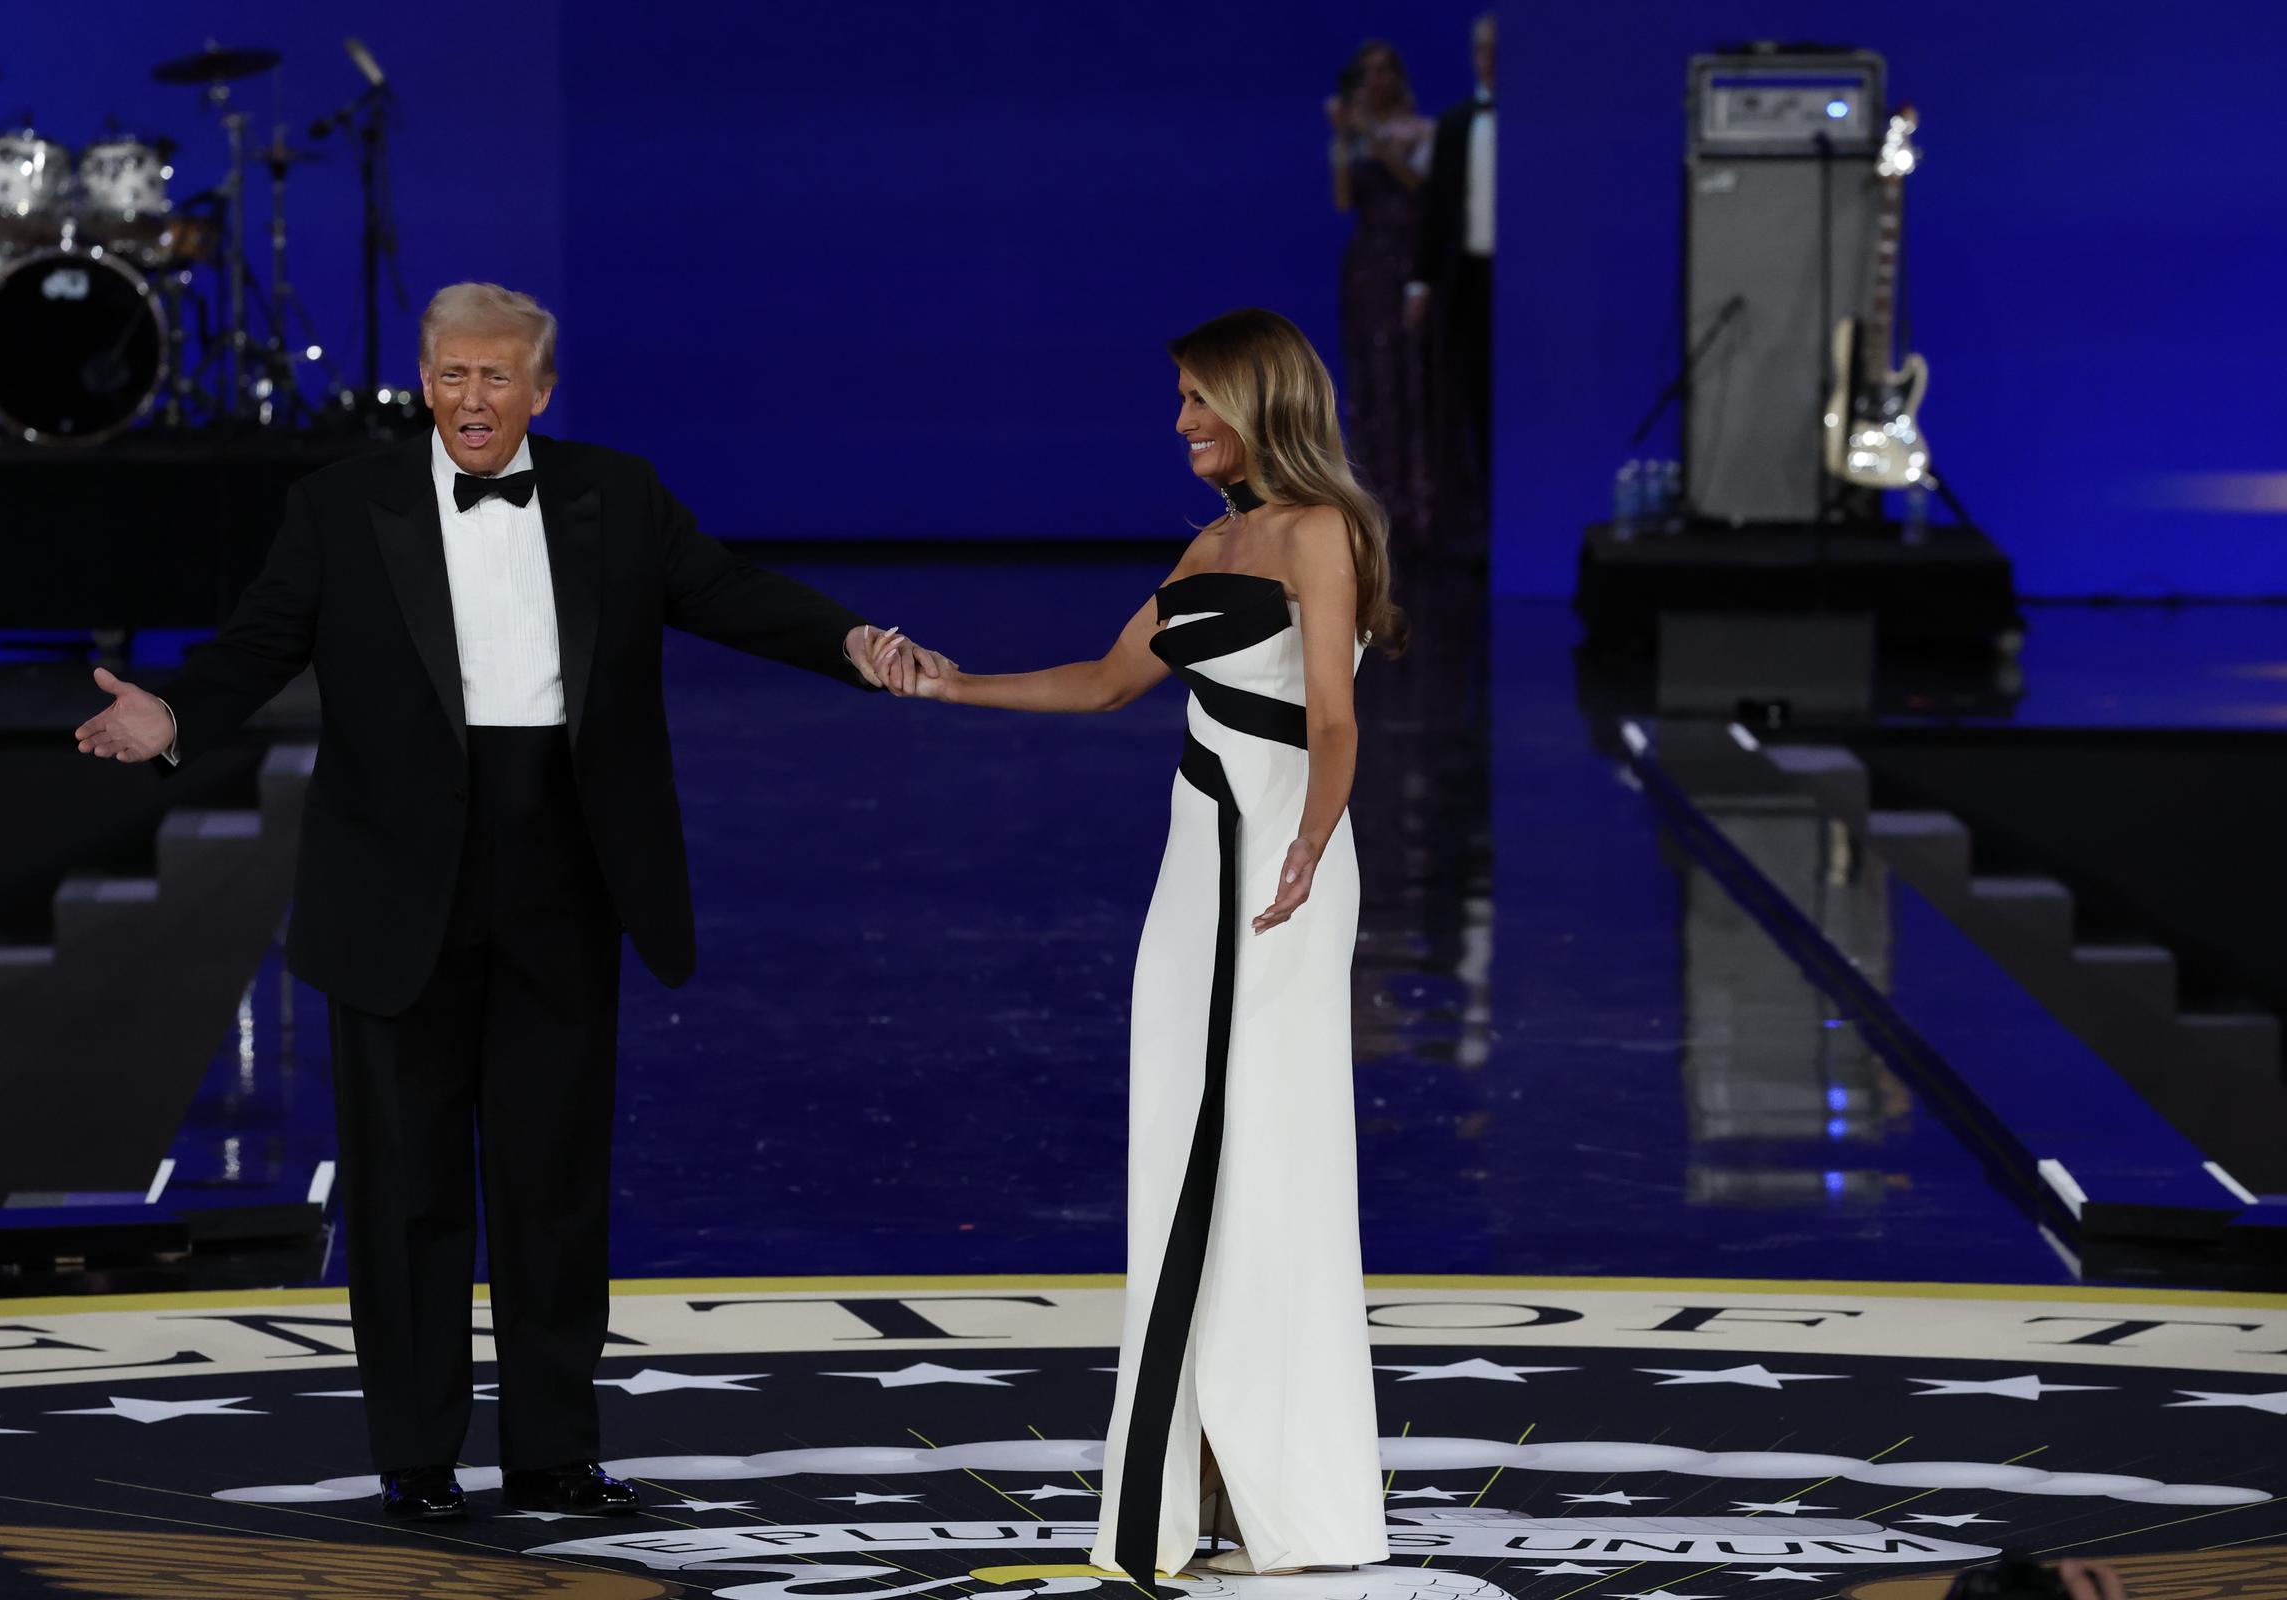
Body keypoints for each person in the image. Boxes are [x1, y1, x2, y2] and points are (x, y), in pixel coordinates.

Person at [71, 282, 943, 1524]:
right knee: (405, 1189)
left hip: (564, 870)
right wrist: (170, 717)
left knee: (551, 1183)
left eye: (495, 378)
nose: (470, 400)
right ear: (423, 380)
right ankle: (415, 1460)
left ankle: (552, 1453)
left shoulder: (618, 494)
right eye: (449, 375)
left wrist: (850, 640)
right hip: (395, 884)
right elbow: (259, 645)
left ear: (541, 389)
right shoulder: (340, 503)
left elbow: (730, 591)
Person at [871, 307, 1404, 1582]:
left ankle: (1290, 1492)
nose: (1179, 425)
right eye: (1176, 401)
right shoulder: (1211, 545)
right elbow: (1108, 682)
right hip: (1193, 880)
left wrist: (1310, 843)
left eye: (1197, 401)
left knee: (1269, 1161)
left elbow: (1332, 718)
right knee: (1178, 1156)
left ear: (1258, 399)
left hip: (1280, 866)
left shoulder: (1319, 533)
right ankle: (1188, 1482)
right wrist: (950, 684)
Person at [1328, 40, 1437, 539]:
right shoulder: (1355, 138)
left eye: (1383, 70)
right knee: (1369, 379)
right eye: (1366, 71)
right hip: (1366, 264)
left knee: (1405, 379)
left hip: (1405, 260)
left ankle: (1414, 501)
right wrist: (1340, 140)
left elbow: (1415, 183)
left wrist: (1370, 131)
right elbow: (1344, 200)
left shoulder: (1419, 130)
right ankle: (1370, 500)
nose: (1375, 80)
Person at [1406, 12, 1498, 534]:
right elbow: (1436, 208)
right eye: (1485, 52)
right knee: (1468, 400)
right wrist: (1420, 281)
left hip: (1525, 282)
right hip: (1467, 281)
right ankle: (1476, 520)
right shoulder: (1458, 122)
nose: (1494, 62)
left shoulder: (1537, 122)